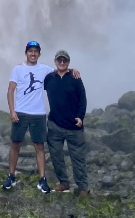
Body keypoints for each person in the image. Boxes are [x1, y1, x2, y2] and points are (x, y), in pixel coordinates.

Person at [2, 40, 54, 193]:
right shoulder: (18, 69)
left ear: (39, 54)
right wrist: (12, 111)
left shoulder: (45, 69)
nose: (33, 53)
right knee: (15, 144)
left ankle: (42, 179)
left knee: (39, 146)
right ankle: (11, 176)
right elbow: (10, 90)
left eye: (35, 51)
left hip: (38, 113)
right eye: (30, 51)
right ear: (26, 53)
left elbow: (61, 71)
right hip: (21, 112)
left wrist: (73, 70)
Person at [45, 49, 88, 196]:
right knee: (56, 156)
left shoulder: (75, 78)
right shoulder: (49, 78)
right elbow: (33, 86)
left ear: (68, 62)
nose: (62, 62)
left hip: (74, 127)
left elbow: (83, 99)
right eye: (59, 60)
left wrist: (80, 117)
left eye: (65, 60)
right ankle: (63, 182)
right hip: (54, 125)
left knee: (78, 158)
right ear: (55, 61)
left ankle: (82, 188)